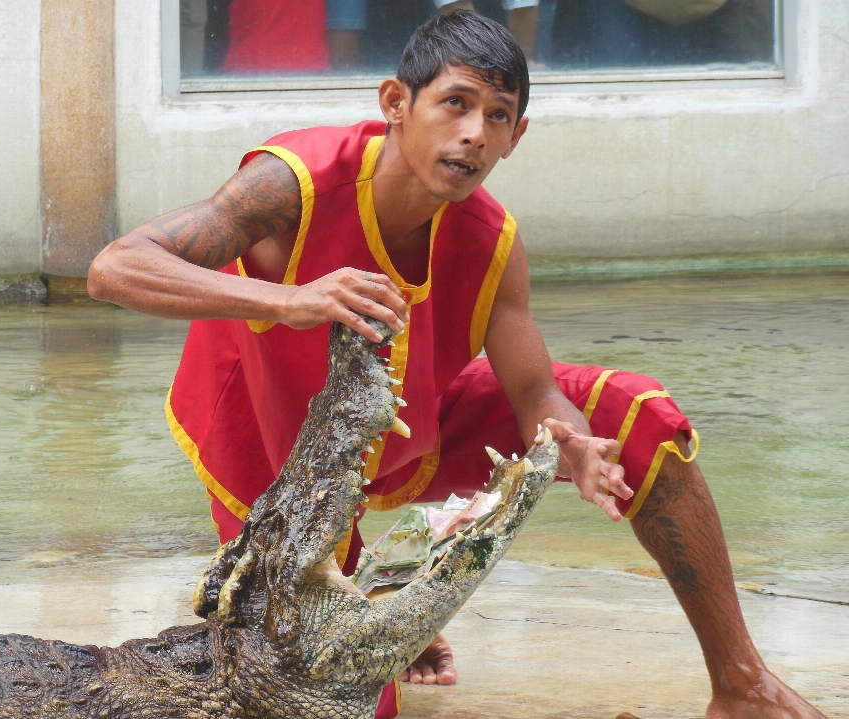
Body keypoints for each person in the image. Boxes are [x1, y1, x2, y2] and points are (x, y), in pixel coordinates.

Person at [87, 11, 827, 719]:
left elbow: (535, 393)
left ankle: (742, 682)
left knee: (636, 414)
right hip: (266, 435)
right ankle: (371, 590)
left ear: (517, 135)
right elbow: (116, 267)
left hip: (409, 410)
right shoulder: (295, 184)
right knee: (344, 691)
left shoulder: (492, 239)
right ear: (395, 103)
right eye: (456, 104)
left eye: (498, 115)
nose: (474, 133)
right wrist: (288, 300)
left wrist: (575, 445)